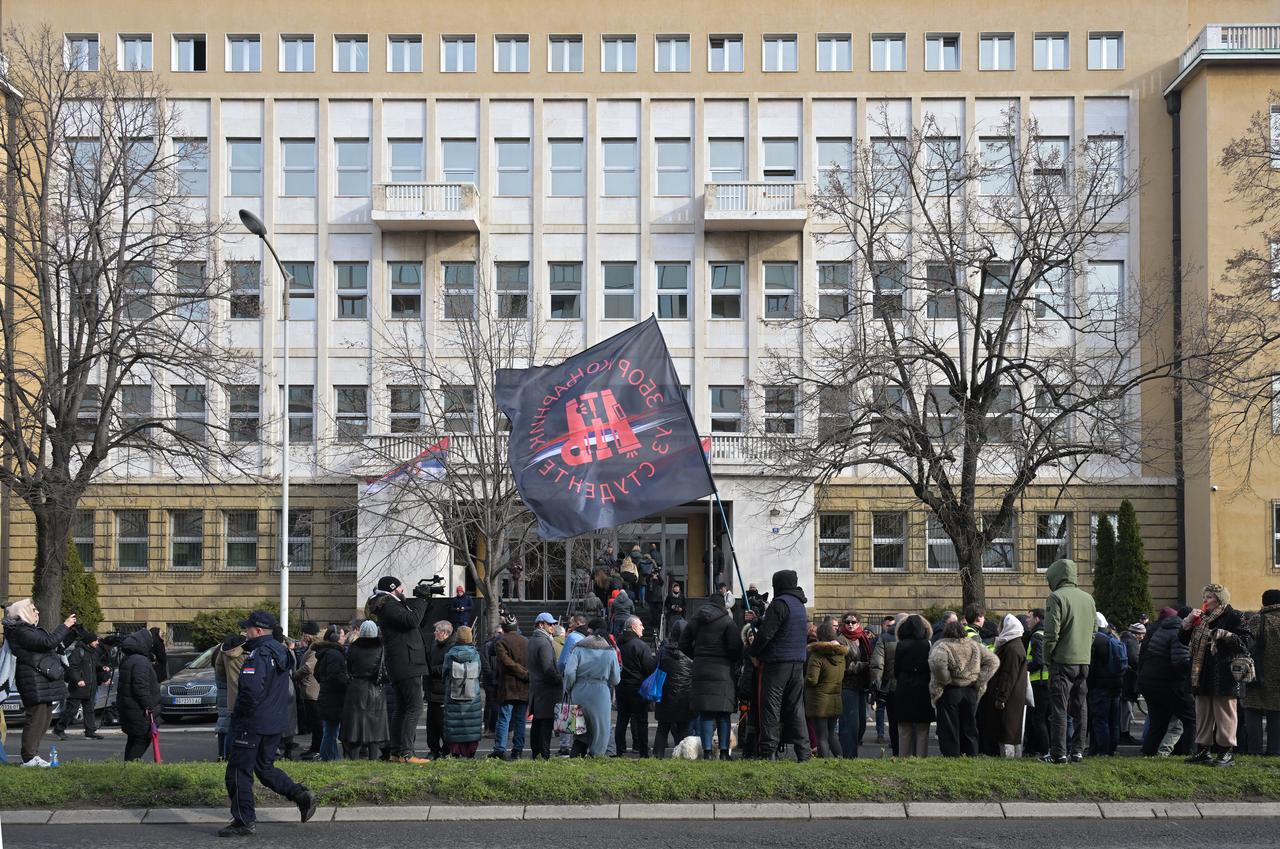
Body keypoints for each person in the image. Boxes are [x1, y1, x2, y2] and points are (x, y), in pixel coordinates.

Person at [221, 610, 318, 838]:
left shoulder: (259, 654)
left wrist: (241, 717)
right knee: (264, 768)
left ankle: (244, 820)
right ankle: (300, 795)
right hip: (274, 722)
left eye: (247, 629)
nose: (245, 632)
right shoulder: (281, 650)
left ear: (257, 630)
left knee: (237, 771)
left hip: (253, 722)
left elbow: (250, 690)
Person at [1180, 583, 1252, 766]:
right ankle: (1203, 750)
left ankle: (1226, 752)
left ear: (1220, 600)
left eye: (1210, 597)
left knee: (1225, 713)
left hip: (1224, 673)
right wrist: (1187, 622)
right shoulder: (1201, 617)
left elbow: (1247, 643)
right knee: (1203, 712)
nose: (1205, 600)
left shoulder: (1234, 616)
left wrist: (1227, 635)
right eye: (1204, 596)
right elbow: (1182, 639)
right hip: (1201, 672)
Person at [2, 599, 75, 767]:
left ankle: (32, 755)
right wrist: (64, 625)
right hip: (32, 681)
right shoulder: (20, 631)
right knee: (36, 718)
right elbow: (46, 643)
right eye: (33, 609)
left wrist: (69, 631)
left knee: (45, 717)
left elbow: (52, 644)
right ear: (23, 613)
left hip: (40, 681)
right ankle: (28, 757)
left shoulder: (27, 630)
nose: (37, 612)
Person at [750, 569, 812, 761]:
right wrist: (759, 620)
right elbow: (784, 626)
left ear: (779, 584)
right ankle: (804, 753)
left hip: (778, 663)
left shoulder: (779, 603)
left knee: (771, 706)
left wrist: (753, 652)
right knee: (796, 708)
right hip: (797, 662)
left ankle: (768, 752)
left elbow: (767, 634)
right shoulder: (799, 605)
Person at [369, 576, 431, 763]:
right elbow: (412, 621)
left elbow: (415, 620)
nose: (404, 591)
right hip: (406, 663)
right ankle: (406, 753)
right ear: (393, 589)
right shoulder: (389, 606)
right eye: (401, 588)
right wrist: (420, 600)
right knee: (415, 707)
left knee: (403, 708)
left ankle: (396, 752)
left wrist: (424, 600)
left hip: (403, 663)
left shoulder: (389, 605)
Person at [1041, 558, 1096, 764]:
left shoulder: (1056, 597)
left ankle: (1058, 753)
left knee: (1059, 709)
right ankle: (1078, 751)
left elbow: (1051, 634)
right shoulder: (1088, 598)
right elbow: (1093, 631)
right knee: (1081, 707)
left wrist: (1049, 658)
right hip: (1083, 661)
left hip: (1062, 661)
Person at [681, 591, 742, 760]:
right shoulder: (728, 622)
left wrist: (697, 656)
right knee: (723, 713)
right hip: (723, 671)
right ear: (723, 605)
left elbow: (683, 643)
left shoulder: (696, 620)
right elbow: (736, 648)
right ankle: (723, 752)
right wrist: (730, 659)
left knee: (706, 713)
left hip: (701, 669)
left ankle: (707, 752)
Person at [929, 619, 999, 757]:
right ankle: (971, 754)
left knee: (949, 727)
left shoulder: (942, 645)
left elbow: (937, 663)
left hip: (949, 691)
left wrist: (946, 679)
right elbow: (993, 661)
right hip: (971, 690)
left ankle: (952, 756)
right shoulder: (974, 645)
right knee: (970, 726)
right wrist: (980, 679)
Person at [1139, 606, 1196, 757]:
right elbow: (1180, 661)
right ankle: (1189, 755)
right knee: (1191, 719)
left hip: (1149, 680)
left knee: (1158, 722)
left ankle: (1148, 754)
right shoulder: (1179, 632)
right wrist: (1192, 676)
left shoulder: (1162, 629)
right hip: (1169, 682)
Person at [564, 621, 621, 757]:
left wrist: (569, 687)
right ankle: (597, 757)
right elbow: (616, 679)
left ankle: (575, 757)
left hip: (579, 691)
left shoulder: (578, 648)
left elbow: (569, 672)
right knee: (601, 729)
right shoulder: (610, 651)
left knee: (579, 730)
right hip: (600, 694)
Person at [979, 614, 1028, 757]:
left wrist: (1001, 698)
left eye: (1001, 625)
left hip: (1008, 697)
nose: (998, 629)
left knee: (1007, 730)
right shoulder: (1011, 644)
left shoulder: (1012, 648)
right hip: (1009, 695)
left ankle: (1007, 759)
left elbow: (1008, 676)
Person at [341, 620, 388, 760]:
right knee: (375, 726)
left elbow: (347, 667)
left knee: (355, 726)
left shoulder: (353, 647)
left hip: (356, 688)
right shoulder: (381, 647)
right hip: (375, 689)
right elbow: (385, 670)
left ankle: (354, 758)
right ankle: (373, 758)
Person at [892, 614, 934, 758]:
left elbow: (896, 669)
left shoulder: (901, 644)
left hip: (905, 686)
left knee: (904, 728)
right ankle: (921, 758)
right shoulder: (927, 644)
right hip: (923, 687)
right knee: (923, 728)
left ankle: (904, 758)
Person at [1244, 589, 1280, 756]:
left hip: (1257, 674)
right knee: (1277, 713)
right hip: (1277, 677)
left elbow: (1246, 644)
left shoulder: (1258, 620)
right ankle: (1275, 751)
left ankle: (1254, 751)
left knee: (1253, 711)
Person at [116, 628, 161, 762]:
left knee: (134, 738)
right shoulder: (141, 661)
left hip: (129, 708)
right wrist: (148, 706)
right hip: (139, 710)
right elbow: (140, 686)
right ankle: (129, 769)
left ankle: (127, 768)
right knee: (142, 738)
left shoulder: (128, 659)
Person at [53, 630, 106, 741]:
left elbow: (95, 665)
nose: (97, 642)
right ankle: (58, 729)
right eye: (95, 640)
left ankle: (90, 732)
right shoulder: (78, 652)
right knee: (71, 710)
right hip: (78, 687)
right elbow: (72, 668)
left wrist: (102, 668)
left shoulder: (92, 652)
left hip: (90, 687)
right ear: (89, 641)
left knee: (89, 710)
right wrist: (78, 680)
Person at [653, 619, 694, 758]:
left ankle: (657, 755)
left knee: (662, 728)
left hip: (664, 695)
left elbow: (655, 668)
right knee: (683, 729)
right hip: (685, 696)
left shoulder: (663, 651)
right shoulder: (691, 650)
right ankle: (683, 756)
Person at [805, 621, 848, 758]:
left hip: (819, 701)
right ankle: (840, 759)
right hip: (835, 699)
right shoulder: (840, 655)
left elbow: (812, 679)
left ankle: (825, 763)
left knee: (821, 737)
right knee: (831, 734)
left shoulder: (817, 655)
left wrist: (801, 681)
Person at [615, 615, 656, 757]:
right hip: (638, 688)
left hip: (621, 687)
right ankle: (643, 751)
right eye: (640, 625)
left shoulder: (618, 644)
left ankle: (619, 750)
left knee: (622, 719)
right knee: (641, 721)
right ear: (633, 627)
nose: (643, 627)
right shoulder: (640, 645)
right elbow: (650, 668)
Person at [835, 611, 873, 758]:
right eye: (847, 622)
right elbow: (843, 666)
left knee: (861, 724)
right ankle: (849, 756)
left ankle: (852, 752)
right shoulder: (840, 640)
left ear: (859, 623)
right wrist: (863, 665)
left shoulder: (863, 638)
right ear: (843, 623)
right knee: (850, 724)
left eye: (853, 622)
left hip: (862, 686)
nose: (850, 625)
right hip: (847, 686)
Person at [1087, 613, 1125, 757]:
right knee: (1113, 720)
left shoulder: (1095, 640)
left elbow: (1092, 667)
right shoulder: (1113, 638)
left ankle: (1101, 750)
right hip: (1116, 684)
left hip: (1099, 685)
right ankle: (1112, 749)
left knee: (1100, 720)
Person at [442, 625, 483, 758]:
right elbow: (479, 672)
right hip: (472, 695)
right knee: (471, 724)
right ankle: (471, 752)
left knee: (455, 724)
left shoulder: (450, 655)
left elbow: (444, 674)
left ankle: (455, 753)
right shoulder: (475, 655)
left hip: (454, 695)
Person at [527, 612, 564, 760]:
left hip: (536, 687)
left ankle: (537, 753)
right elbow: (548, 668)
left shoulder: (533, 640)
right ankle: (544, 754)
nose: (553, 626)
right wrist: (559, 680)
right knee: (545, 723)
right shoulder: (543, 642)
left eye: (554, 623)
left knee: (538, 722)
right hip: (546, 689)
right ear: (541, 625)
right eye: (550, 624)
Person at [491, 619, 529, 759]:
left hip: (508, 686)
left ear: (505, 628)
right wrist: (526, 673)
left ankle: (500, 750)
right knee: (520, 720)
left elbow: (506, 662)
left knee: (504, 719)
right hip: (524, 685)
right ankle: (517, 750)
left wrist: (521, 671)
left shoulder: (501, 641)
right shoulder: (526, 641)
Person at [871, 613, 908, 755]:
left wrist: (876, 684)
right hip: (911, 687)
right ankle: (910, 753)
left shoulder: (885, 637)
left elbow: (878, 664)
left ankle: (897, 751)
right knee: (909, 723)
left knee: (893, 721)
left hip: (891, 685)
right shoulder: (918, 637)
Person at [313, 626, 348, 761]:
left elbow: (317, 674)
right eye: (342, 635)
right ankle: (329, 758)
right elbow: (336, 676)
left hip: (327, 695)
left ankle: (328, 757)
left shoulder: (325, 653)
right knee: (331, 731)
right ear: (335, 637)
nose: (344, 638)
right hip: (334, 697)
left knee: (330, 730)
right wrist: (347, 683)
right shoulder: (334, 654)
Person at [424, 621, 455, 760]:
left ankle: (446, 750)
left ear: (444, 633)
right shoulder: (434, 645)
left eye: (437, 630)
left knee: (443, 724)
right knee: (431, 725)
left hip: (443, 691)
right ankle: (433, 749)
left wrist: (432, 670)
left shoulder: (451, 647)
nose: (435, 633)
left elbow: (448, 667)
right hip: (431, 691)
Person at [1022, 608, 1050, 758]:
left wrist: (1024, 668)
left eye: (1029, 617)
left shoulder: (1036, 636)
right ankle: (1039, 749)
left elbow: (1039, 661)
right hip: (1045, 682)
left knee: (1037, 719)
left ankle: (1044, 751)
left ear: (1037, 619)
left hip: (1038, 682)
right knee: (1042, 718)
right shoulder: (1046, 634)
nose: (1027, 620)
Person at [215, 635, 248, 760]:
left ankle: (227, 756)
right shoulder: (247, 652)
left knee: (230, 728)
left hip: (231, 696)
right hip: (246, 695)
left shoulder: (223, 652)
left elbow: (219, 670)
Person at [1119, 622, 1145, 745]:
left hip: (1122, 680)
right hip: (1129, 681)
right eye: (1142, 634)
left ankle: (1121, 733)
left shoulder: (1122, 639)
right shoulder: (1132, 642)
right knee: (1126, 710)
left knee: (1122, 709)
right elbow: (1135, 660)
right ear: (1137, 634)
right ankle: (1124, 734)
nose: (1143, 637)